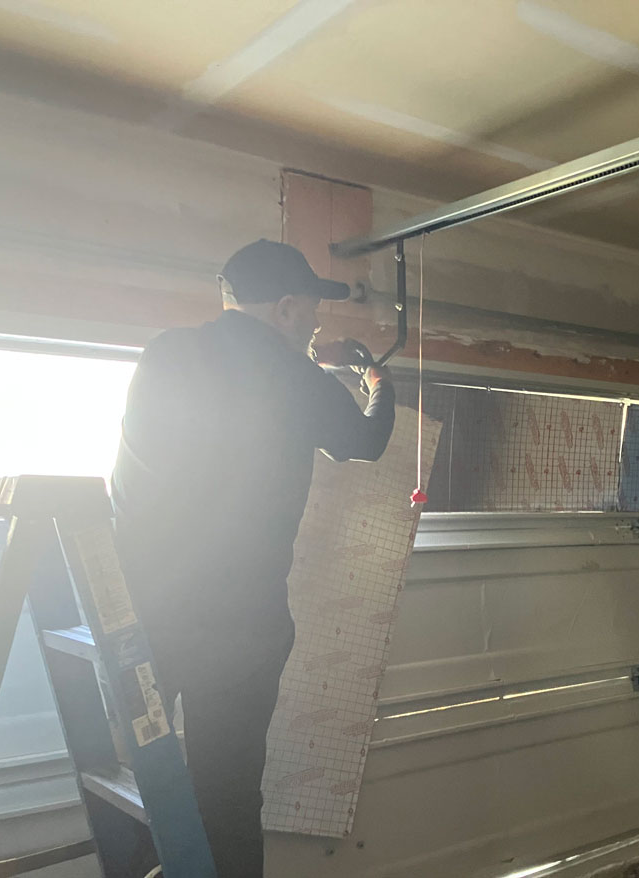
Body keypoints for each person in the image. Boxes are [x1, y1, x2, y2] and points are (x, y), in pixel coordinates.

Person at [111, 239, 396, 878]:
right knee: (227, 792)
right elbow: (366, 440)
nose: (315, 324)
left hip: (145, 611)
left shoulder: (165, 353)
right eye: (311, 311)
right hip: (238, 626)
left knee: (144, 779)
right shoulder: (292, 375)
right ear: (286, 307)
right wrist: (373, 375)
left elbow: (133, 476)